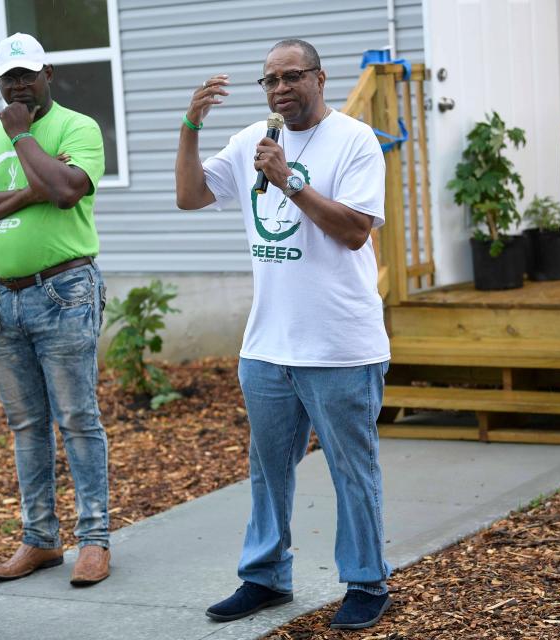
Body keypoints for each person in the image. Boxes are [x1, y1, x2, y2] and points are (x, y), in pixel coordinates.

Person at [176, 39, 393, 630]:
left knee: (353, 469)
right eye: (269, 80)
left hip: (341, 346)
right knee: (269, 469)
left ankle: (367, 582)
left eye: (291, 77)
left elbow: (353, 232)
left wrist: (290, 182)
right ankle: (266, 576)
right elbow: (190, 195)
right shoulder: (252, 139)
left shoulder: (355, 140)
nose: (279, 90)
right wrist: (191, 126)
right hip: (268, 345)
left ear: (320, 78)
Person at [0, 32, 111, 586]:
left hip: (64, 293)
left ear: (48, 76)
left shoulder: (77, 127)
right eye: (8, 77)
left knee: (79, 421)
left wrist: (22, 138)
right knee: (26, 426)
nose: (18, 85)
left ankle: (94, 542)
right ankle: (40, 540)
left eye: (27, 74)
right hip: (3, 300)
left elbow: (66, 190)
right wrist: (25, 194)